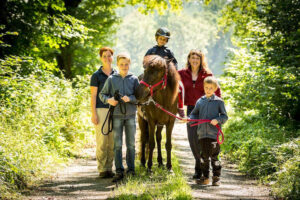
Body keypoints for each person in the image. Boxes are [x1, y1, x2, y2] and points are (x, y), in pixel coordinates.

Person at [178, 49, 221, 179]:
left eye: (198, 58)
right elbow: (176, 92)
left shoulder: (207, 74)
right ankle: (199, 164)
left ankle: (201, 170)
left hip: (206, 111)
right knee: (193, 141)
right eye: (193, 58)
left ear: (201, 60)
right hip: (191, 111)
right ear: (189, 59)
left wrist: (217, 111)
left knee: (204, 141)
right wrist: (181, 113)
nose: (195, 60)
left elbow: (216, 91)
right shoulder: (181, 74)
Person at [100, 52, 139, 182]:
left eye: (126, 64)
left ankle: (131, 170)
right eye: (121, 64)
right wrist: (109, 100)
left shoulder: (134, 79)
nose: (124, 66)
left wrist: (131, 98)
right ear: (117, 65)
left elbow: (139, 97)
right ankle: (119, 171)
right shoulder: (111, 79)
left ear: (129, 64)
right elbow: (102, 94)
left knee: (131, 144)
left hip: (130, 116)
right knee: (117, 145)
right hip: (116, 115)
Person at [188, 76, 228, 186]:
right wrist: (190, 119)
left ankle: (216, 177)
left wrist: (218, 120)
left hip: (213, 135)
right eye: (206, 87)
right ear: (203, 87)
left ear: (215, 88)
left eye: (211, 88)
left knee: (215, 157)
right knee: (203, 158)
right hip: (201, 134)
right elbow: (194, 114)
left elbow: (225, 117)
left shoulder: (219, 102)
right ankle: (205, 177)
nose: (208, 90)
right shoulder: (200, 101)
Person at [90, 47, 116, 178]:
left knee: (112, 142)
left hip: (115, 112)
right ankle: (102, 168)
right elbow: (93, 96)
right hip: (101, 110)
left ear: (112, 57)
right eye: (104, 56)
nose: (107, 58)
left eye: (109, 55)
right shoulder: (96, 75)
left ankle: (109, 168)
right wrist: (93, 113)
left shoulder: (117, 74)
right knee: (101, 141)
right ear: (101, 58)